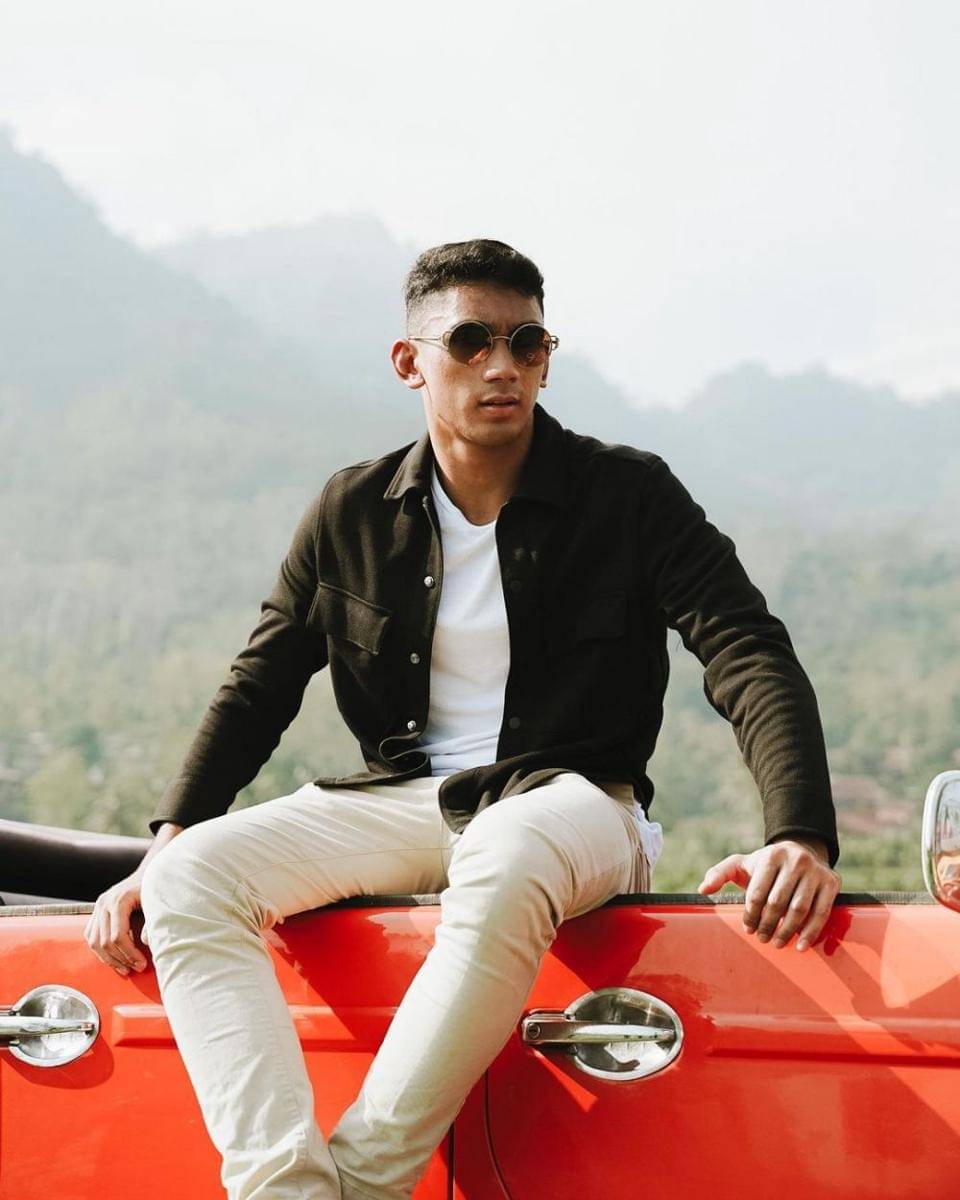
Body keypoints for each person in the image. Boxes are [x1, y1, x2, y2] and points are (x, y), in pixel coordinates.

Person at [85, 238, 841, 1199]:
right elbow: (260, 683)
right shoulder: (352, 510)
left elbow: (746, 647)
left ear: (546, 359)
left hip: (576, 806)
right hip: (406, 798)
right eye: (472, 340)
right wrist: (168, 840)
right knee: (191, 877)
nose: (502, 365)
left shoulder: (629, 494)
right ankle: (285, 1188)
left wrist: (798, 832)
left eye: (527, 342)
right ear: (410, 362)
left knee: (505, 849)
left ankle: (366, 1183)